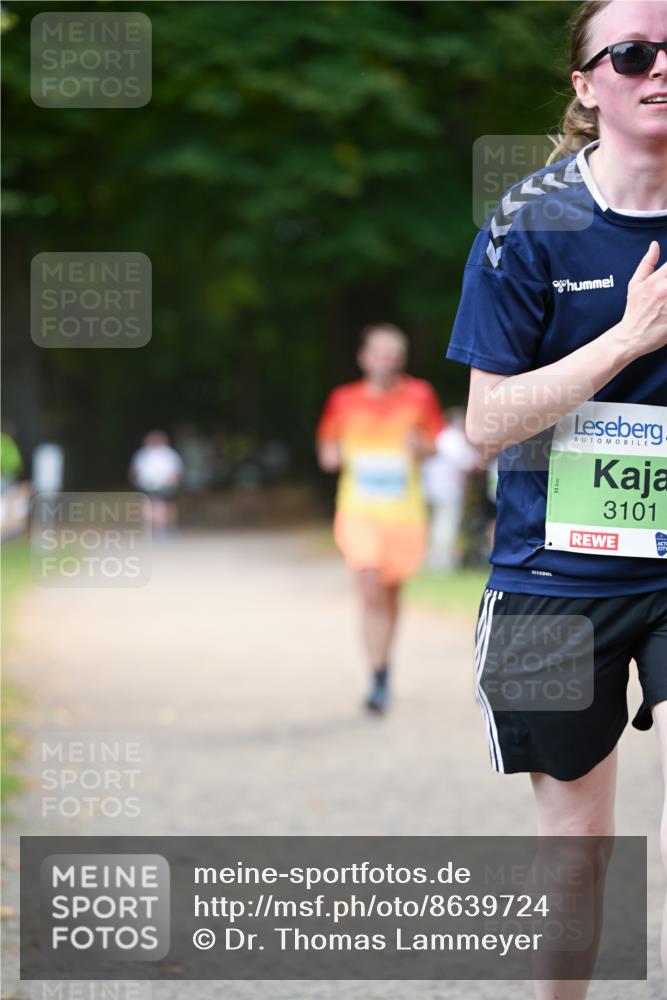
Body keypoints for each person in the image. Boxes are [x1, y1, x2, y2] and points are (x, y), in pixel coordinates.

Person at [446, 2, 667, 995]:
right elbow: (485, 423)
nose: (657, 67)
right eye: (631, 53)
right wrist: (624, 341)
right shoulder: (528, 224)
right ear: (586, 84)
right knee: (577, 848)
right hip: (548, 578)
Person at [316, 323, 445, 713]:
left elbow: (436, 445)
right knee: (368, 585)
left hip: (404, 514)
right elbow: (326, 447)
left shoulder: (420, 395)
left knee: (390, 594)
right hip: (358, 510)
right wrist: (331, 455)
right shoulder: (343, 399)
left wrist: (419, 446)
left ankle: (384, 670)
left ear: (401, 360)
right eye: (378, 352)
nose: (385, 359)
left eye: (393, 353)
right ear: (363, 358)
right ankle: (375, 676)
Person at [421, 407, 483, 572]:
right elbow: (468, 462)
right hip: (447, 489)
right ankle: (441, 563)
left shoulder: (439, 436)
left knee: (434, 524)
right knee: (446, 525)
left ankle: (430, 560)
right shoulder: (454, 438)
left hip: (430, 487)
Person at [128, 430, 183, 535]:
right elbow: (134, 471)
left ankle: (161, 527)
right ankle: (156, 528)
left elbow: (176, 472)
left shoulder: (168, 454)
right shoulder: (143, 454)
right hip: (149, 485)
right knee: (154, 506)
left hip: (164, 485)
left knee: (161, 506)